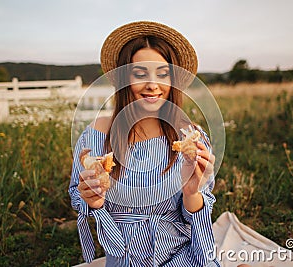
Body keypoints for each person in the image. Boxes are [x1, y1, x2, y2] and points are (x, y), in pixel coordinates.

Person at [69, 21, 221, 267]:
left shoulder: (190, 136)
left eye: (163, 74)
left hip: (181, 256)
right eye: (140, 74)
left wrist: (192, 192)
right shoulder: (97, 134)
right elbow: (77, 193)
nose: (153, 85)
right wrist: (92, 201)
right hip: (124, 256)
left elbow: (197, 213)